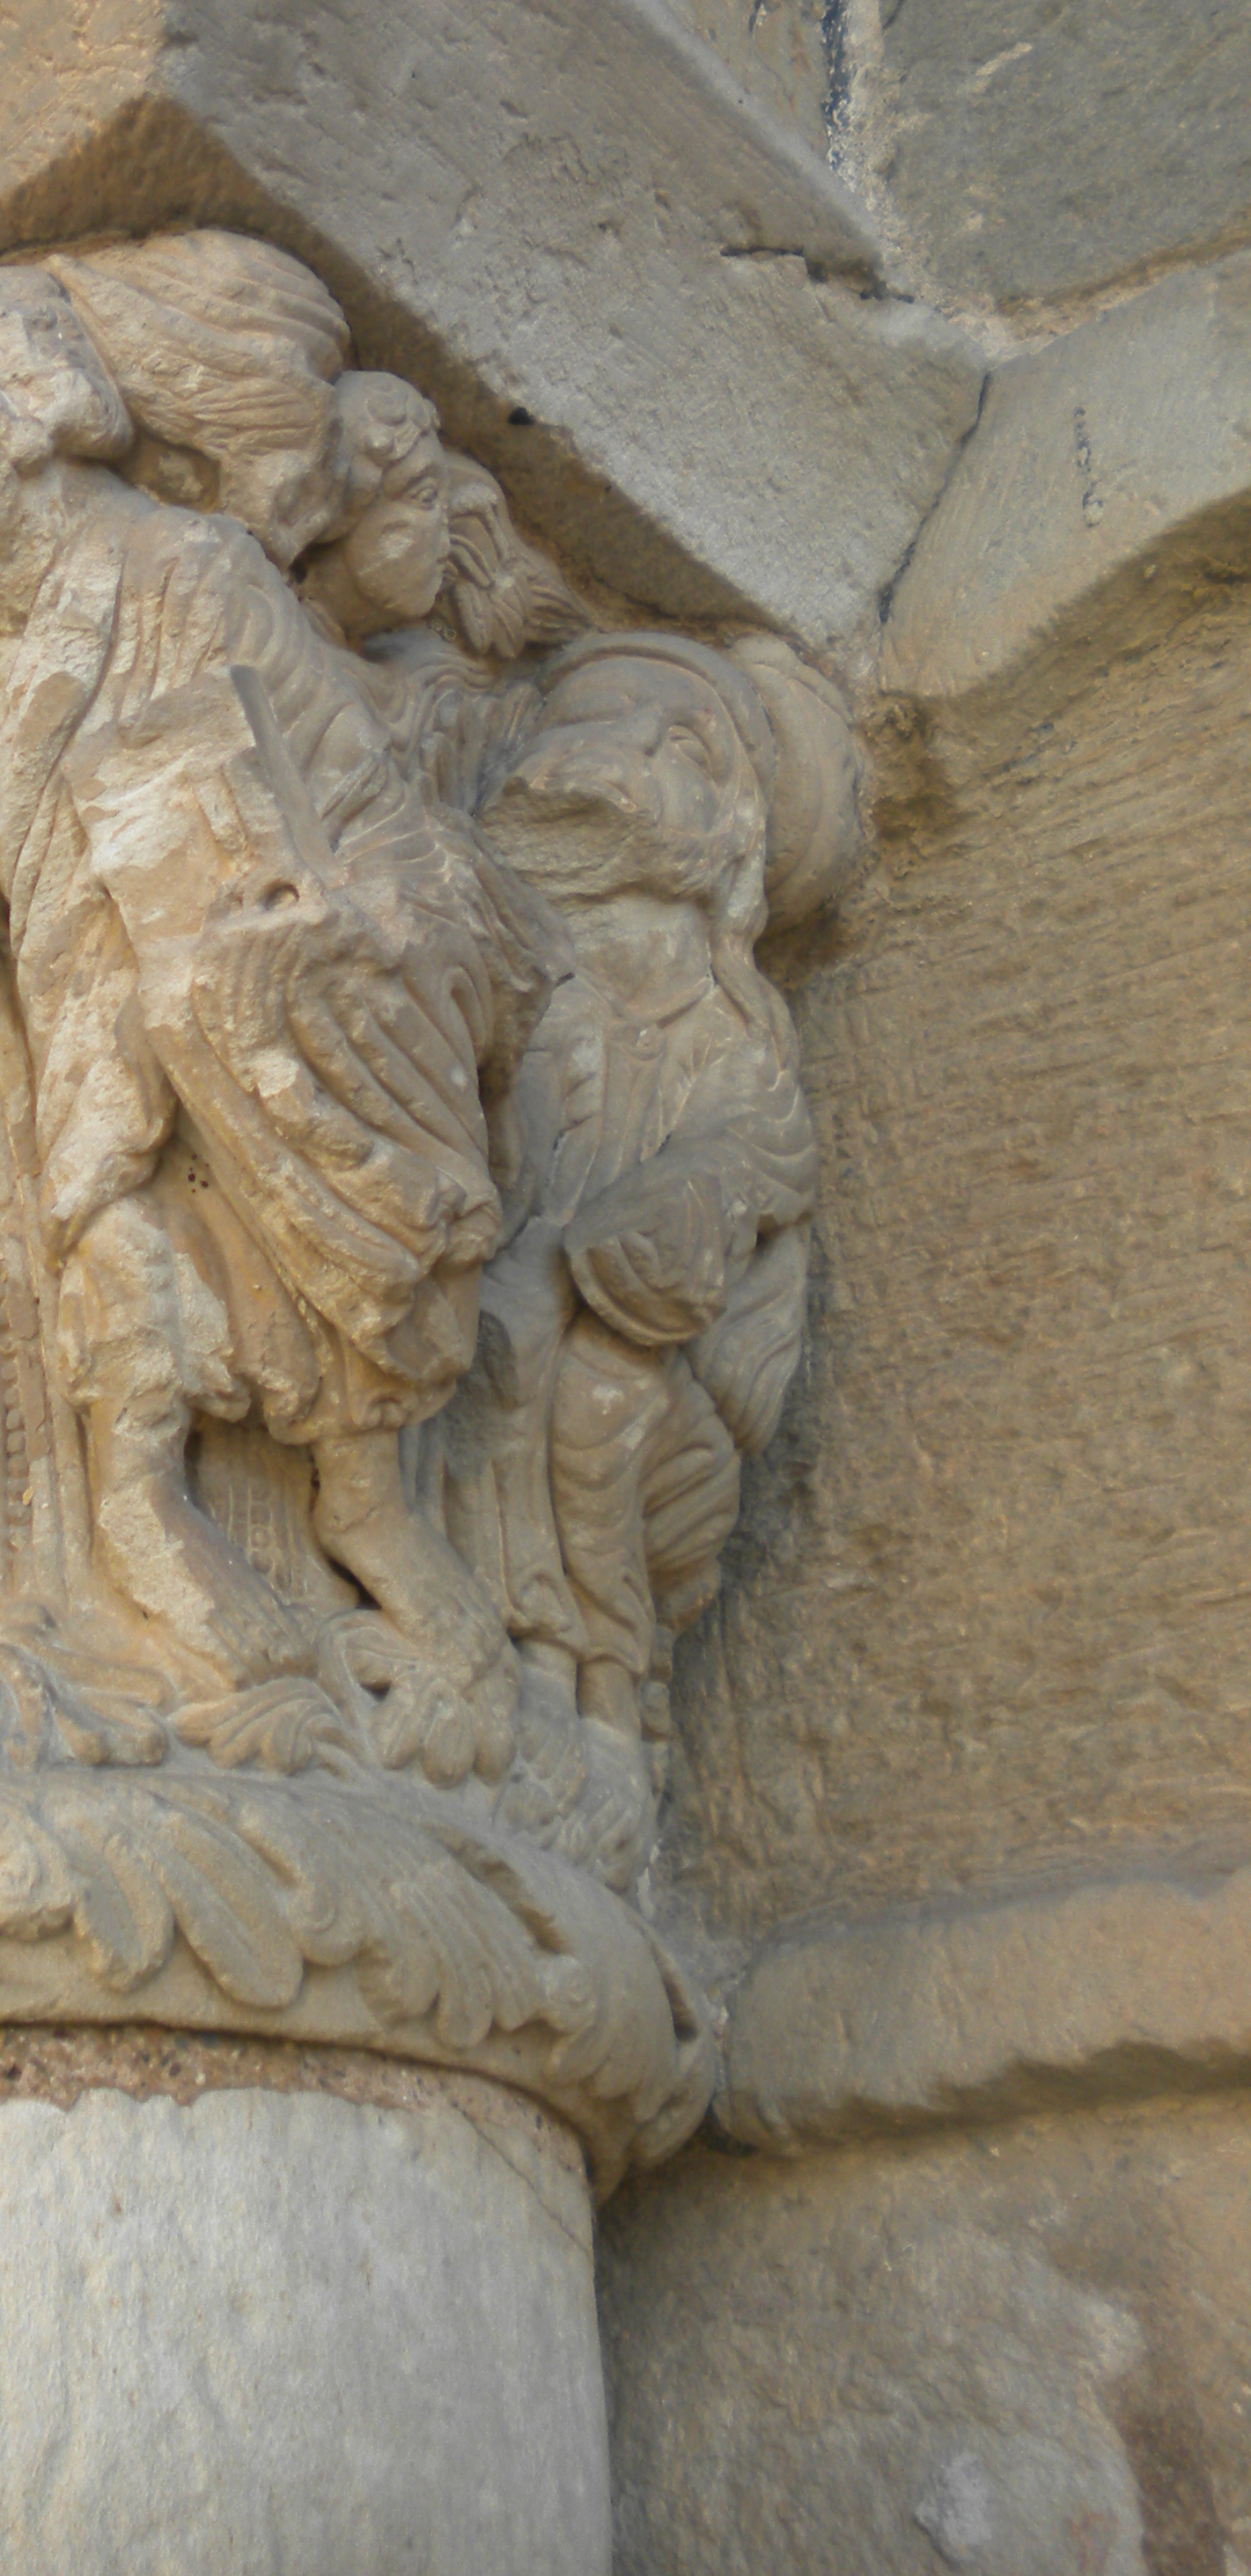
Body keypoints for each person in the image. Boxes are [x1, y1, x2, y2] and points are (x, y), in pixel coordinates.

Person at [0, 266, 554, 1767]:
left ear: (22, 412)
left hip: (268, 1043)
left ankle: (419, 1623)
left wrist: (297, 952)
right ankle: (176, 1563)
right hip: (106, 1067)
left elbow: (325, 782)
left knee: (342, 1405)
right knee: (135, 1336)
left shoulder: (189, 573)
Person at [435, 630, 850, 1877]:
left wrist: (664, 1220)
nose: (601, 756)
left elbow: (753, 1154)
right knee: (477, 1349)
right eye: (590, 721)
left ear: (728, 822)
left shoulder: (727, 1029)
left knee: (592, 1393)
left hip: (659, 1398)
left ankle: (602, 1707)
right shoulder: (506, 971)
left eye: (662, 740)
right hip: (502, 1334)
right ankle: (486, 1671)